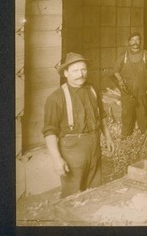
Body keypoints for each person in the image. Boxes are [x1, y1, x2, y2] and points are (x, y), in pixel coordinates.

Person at [43, 52, 115, 198]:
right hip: (72, 151)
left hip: (94, 147)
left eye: (83, 70)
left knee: (95, 191)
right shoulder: (55, 98)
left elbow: (101, 116)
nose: (81, 74)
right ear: (65, 73)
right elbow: (50, 132)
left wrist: (108, 137)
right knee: (72, 195)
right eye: (75, 70)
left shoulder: (92, 90)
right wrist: (57, 159)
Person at [113, 32, 147, 137]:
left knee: (142, 111)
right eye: (132, 40)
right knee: (127, 112)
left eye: (137, 40)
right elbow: (116, 71)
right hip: (127, 90)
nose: (135, 42)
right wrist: (120, 80)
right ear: (129, 42)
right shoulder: (123, 56)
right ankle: (125, 135)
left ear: (140, 42)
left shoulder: (146, 54)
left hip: (142, 90)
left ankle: (144, 134)